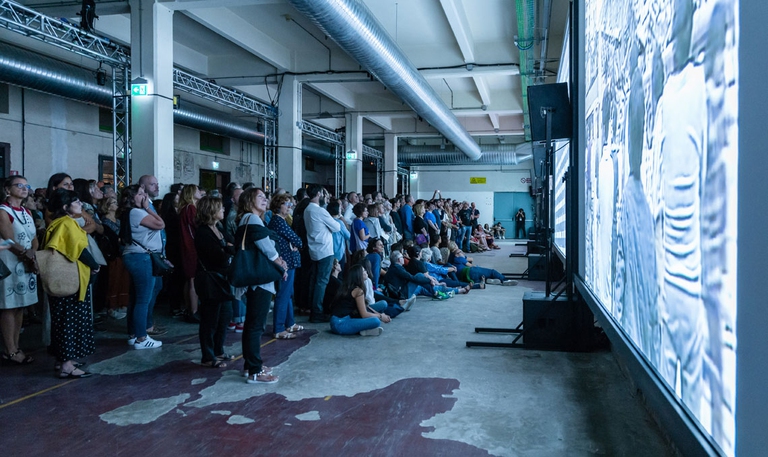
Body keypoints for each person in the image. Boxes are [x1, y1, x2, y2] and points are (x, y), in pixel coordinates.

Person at [44, 188, 99, 377]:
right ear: (66, 207)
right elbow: (79, 249)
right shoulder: (67, 223)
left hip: (62, 280)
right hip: (70, 280)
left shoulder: (57, 223)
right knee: (69, 320)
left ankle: (63, 359)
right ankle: (67, 364)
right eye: (76, 202)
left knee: (62, 320)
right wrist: (95, 265)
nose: (80, 204)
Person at [237, 187, 285, 384]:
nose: (265, 200)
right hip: (260, 281)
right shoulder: (252, 219)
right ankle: (255, 371)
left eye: (266, 197)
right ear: (249, 200)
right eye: (260, 197)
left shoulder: (248, 219)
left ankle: (250, 365)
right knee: (255, 325)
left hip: (256, 281)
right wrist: (280, 263)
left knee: (252, 324)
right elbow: (266, 246)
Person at [120, 184, 166, 349]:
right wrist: (149, 208)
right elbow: (161, 224)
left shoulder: (132, 213)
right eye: (140, 194)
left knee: (136, 297)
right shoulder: (136, 212)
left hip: (137, 256)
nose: (144, 196)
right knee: (143, 300)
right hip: (141, 258)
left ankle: (133, 333)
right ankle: (141, 337)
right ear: (132, 198)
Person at [0, 176, 38, 366]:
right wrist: (27, 255)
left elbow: (34, 238)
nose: (24, 189)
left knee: (21, 304)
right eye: (19, 185)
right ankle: (10, 349)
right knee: (9, 305)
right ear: (8, 189)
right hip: (10, 262)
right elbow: (8, 239)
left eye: (26, 186)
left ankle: (16, 345)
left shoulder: (26, 211)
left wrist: (33, 253)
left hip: (25, 263)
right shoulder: (3, 211)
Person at [194, 196, 234, 368]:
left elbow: (233, 244)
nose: (223, 210)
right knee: (210, 319)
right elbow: (219, 256)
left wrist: (227, 248)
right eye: (220, 208)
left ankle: (218, 349)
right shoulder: (203, 232)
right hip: (210, 278)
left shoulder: (218, 227)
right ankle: (208, 356)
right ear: (211, 210)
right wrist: (227, 249)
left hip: (221, 277)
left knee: (224, 316)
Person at [267, 193, 304, 340]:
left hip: (288, 262)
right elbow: (298, 240)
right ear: (278, 206)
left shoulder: (281, 221)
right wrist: (295, 244)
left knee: (288, 294)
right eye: (286, 204)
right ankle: (279, 327)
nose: (289, 207)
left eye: (290, 204)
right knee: (283, 295)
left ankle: (290, 323)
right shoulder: (279, 222)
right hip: (285, 263)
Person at [304, 185, 340, 323]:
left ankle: (313, 309)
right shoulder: (320, 211)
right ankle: (317, 312)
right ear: (319, 194)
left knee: (315, 281)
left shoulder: (307, 209)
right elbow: (336, 227)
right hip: (325, 250)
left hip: (314, 249)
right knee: (321, 282)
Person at [329, 264, 389, 337]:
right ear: (359, 275)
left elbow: (366, 307)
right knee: (376, 321)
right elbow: (364, 314)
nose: (366, 272)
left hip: (339, 320)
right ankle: (362, 330)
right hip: (340, 323)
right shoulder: (358, 291)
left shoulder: (350, 287)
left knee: (383, 304)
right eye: (363, 271)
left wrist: (380, 314)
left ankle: (364, 330)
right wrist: (380, 316)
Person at [179, 184, 203, 322]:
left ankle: (189, 308)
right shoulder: (191, 208)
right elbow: (197, 225)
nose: (200, 192)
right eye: (197, 190)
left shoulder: (184, 208)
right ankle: (194, 311)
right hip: (192, 247)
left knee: (189, 280)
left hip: (186, 246)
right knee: (193, 280)